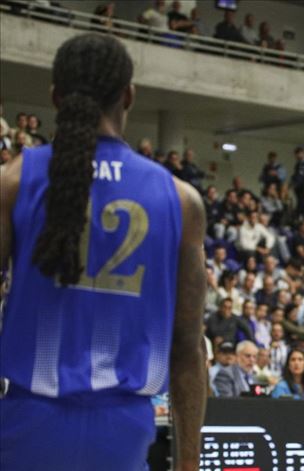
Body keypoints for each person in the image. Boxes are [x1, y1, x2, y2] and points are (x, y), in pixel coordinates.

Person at [0, 34, 206, 469]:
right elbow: (188, 346)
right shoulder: (181, 199)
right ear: (129, 96)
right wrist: (188, 464)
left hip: (26, 423)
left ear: (55, 97)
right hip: (124, 432)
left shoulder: (14, 182)